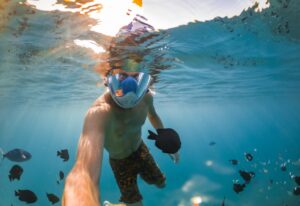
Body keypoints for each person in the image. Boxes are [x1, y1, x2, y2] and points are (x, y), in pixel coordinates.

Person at [62, 68, 181, 206]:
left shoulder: (146, 98)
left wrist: (169, 145)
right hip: (120, 163)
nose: (130, 83)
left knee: (161, 183)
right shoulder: (99, 112)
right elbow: (83, 170)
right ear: (108, 79)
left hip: (141, 150)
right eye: (122, 76)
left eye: (136, 76)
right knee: (135, 203)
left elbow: (153, 115)